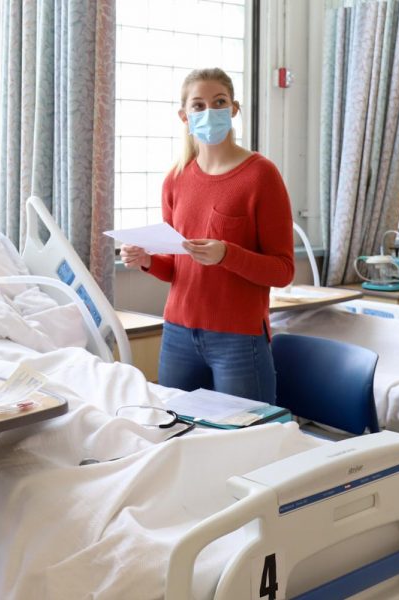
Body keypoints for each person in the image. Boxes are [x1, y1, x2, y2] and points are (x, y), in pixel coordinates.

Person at [119, 67, 294, 403]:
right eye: (198, 105)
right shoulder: (176, 179)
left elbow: (283, 271)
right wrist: (146, 260)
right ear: (184, 116)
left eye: (219, 102)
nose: (209, 111)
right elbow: (176, 268)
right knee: (178, 432)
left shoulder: (261, 175)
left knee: (247, 439)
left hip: (239, 340)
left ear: (233, 109)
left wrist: (227, 254)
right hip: (178, 335)